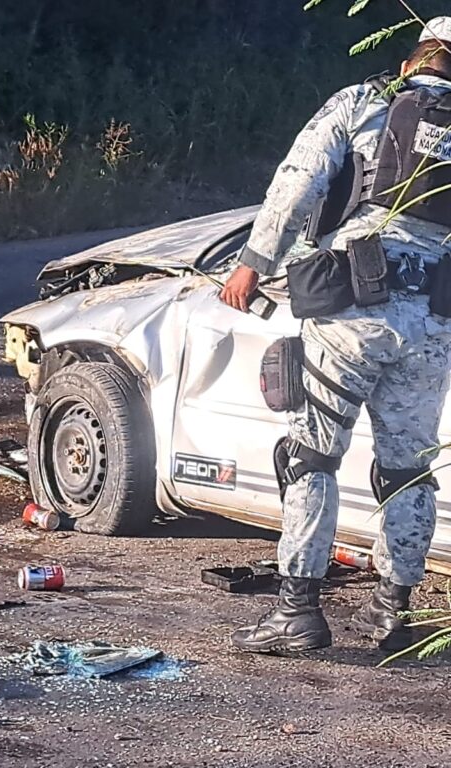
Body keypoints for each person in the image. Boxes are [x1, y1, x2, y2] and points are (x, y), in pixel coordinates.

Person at [221, 18, 451, 653]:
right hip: (434, 321)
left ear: (412, 61)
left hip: (354, 307)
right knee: (409, 470)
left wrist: (253, 265)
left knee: (312, 455)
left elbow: (297, 183)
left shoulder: (364, 103)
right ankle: (396, 619)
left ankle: (298, 613)